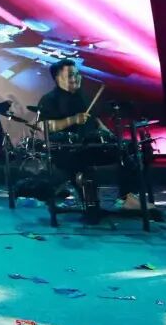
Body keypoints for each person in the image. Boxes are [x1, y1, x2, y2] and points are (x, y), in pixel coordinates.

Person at [35, 58, 145, 218]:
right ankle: (91, 204)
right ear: (58, 78)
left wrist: (110, 136)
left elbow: (96, 121)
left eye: (77, 74)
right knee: (85, 168)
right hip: (67, 151)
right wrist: (72, 120)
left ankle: (127, 197)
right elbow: (43, 126)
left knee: (130, 150)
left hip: (91, 147)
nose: (76, 78)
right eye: (71, 75)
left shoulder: (83, 96)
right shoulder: (49, 100)